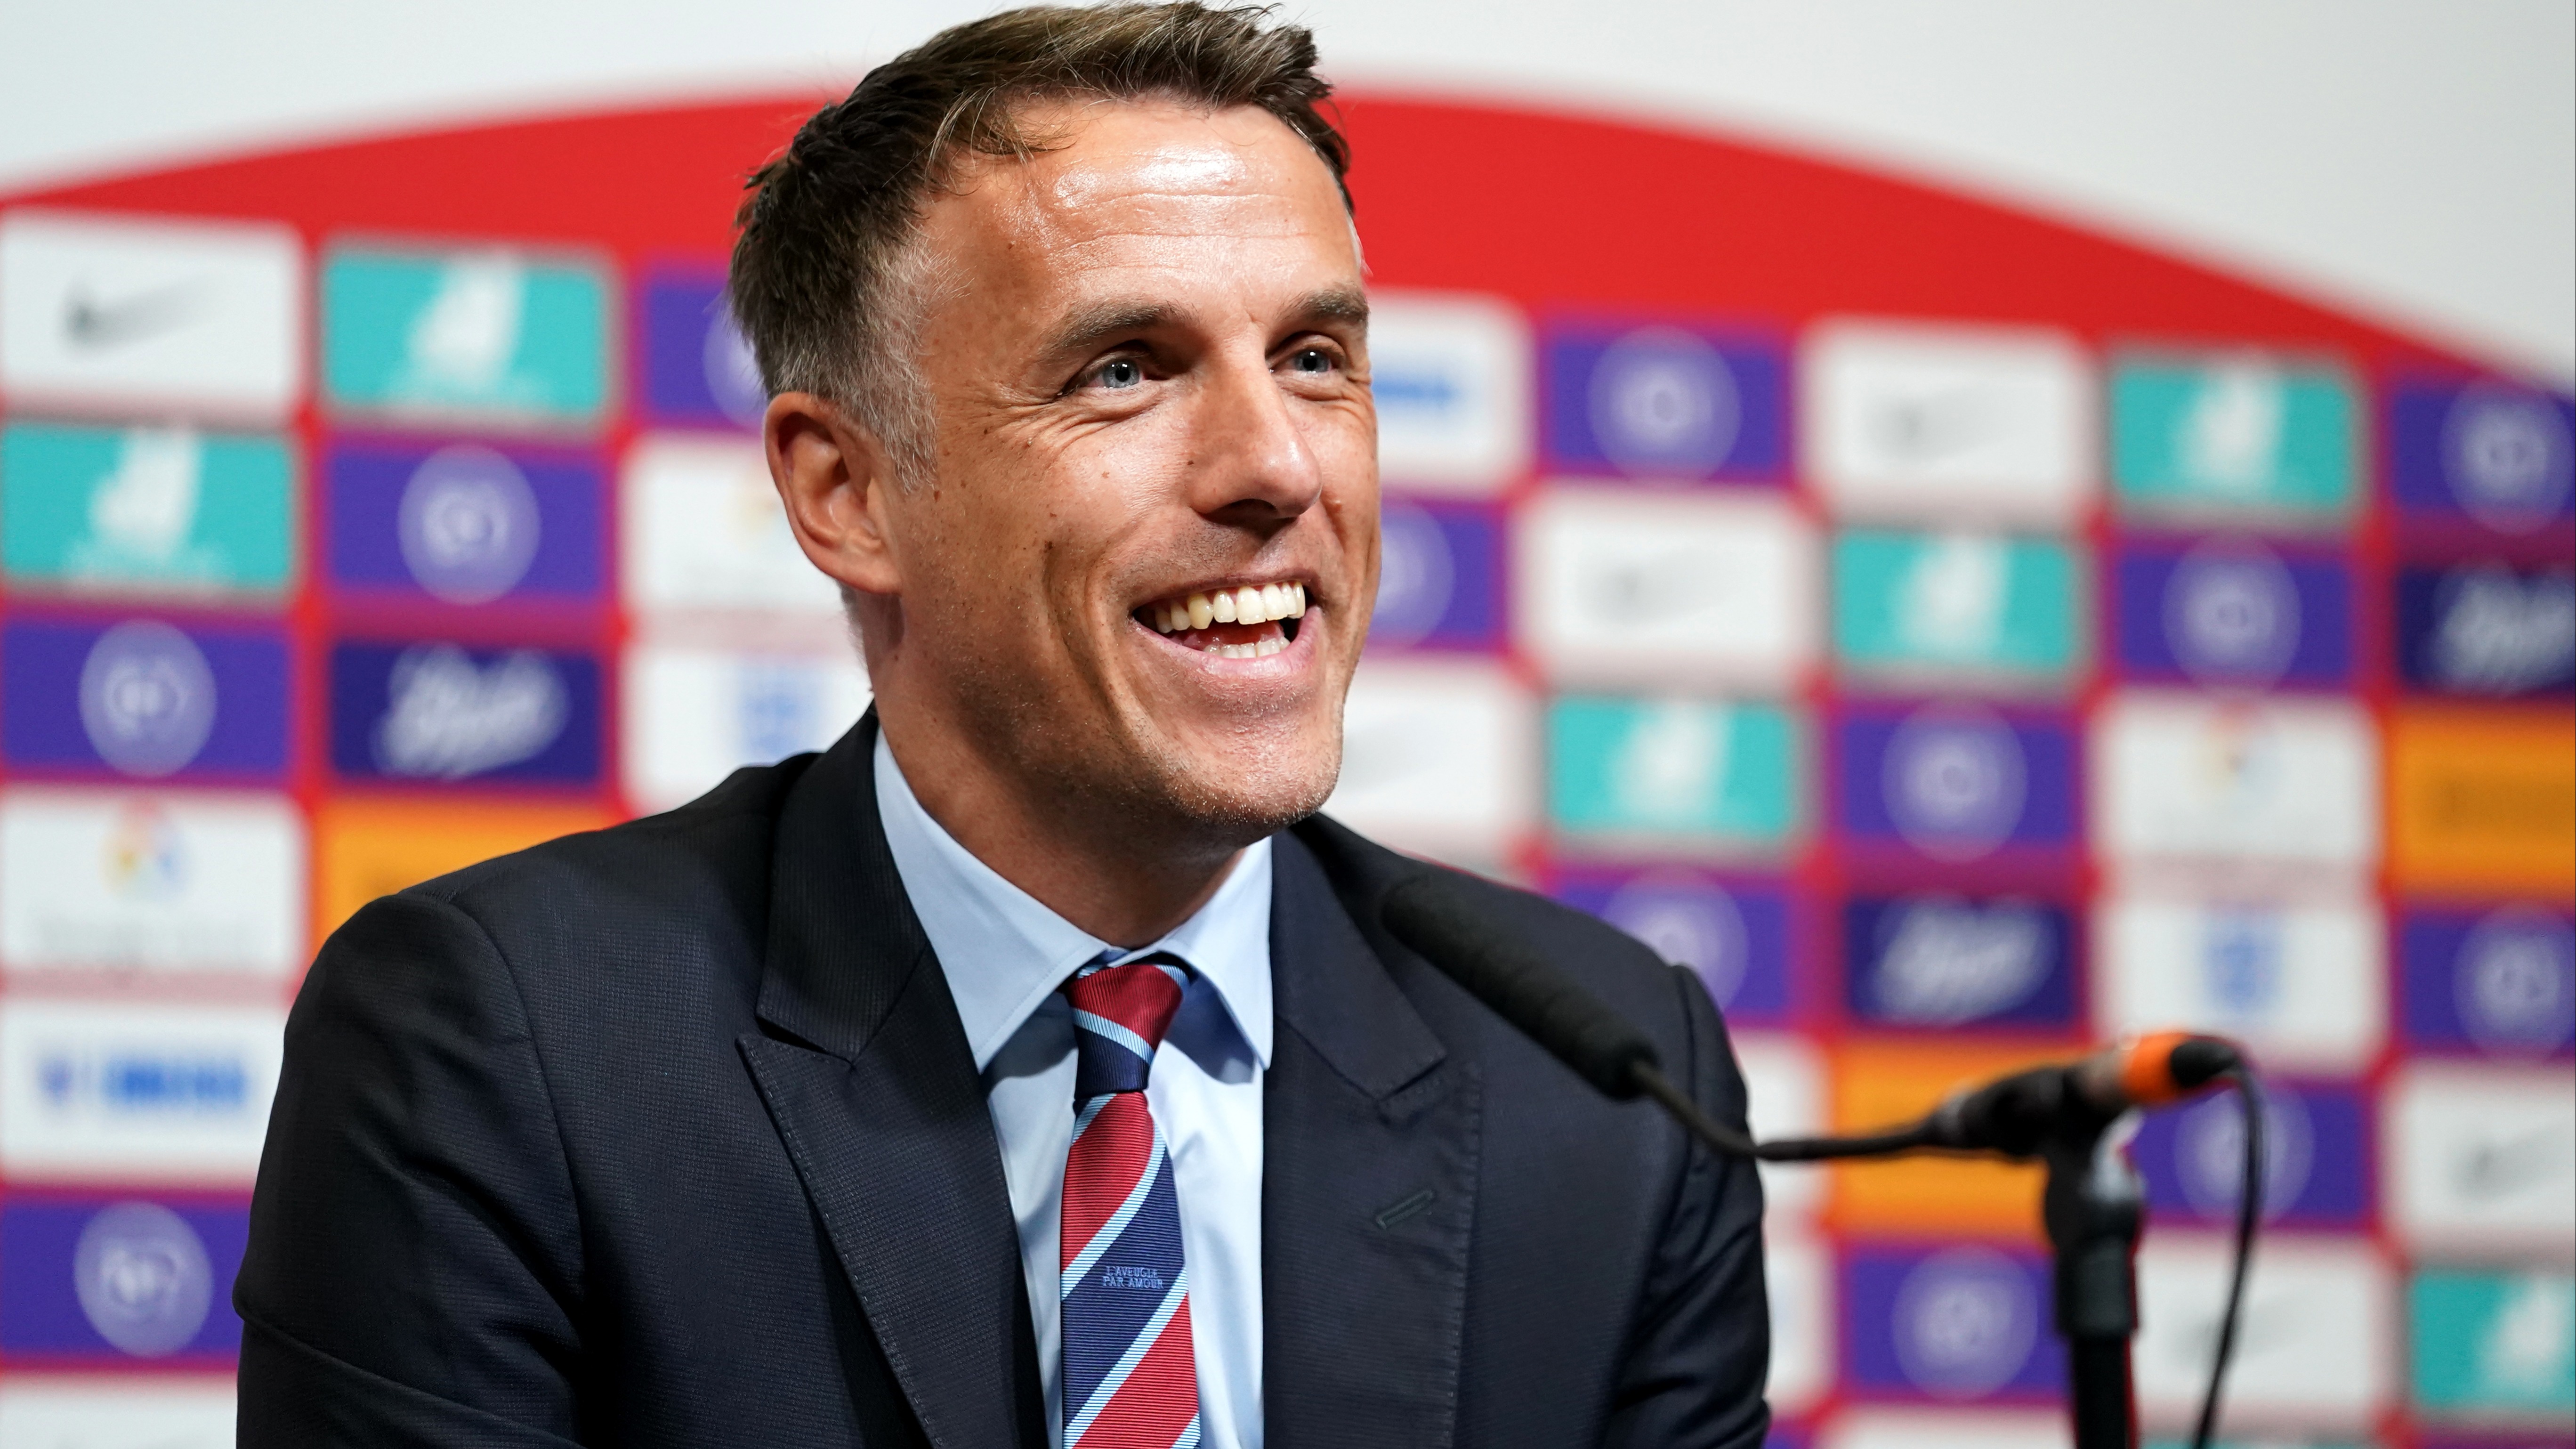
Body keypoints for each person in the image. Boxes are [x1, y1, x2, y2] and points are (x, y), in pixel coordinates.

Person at [235, 5, 1769, 1446]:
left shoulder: (1609, 1091)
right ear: (847, 493)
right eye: (1125, 370)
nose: (1277, 467)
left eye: (1315, 358)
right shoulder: (506, 1047)